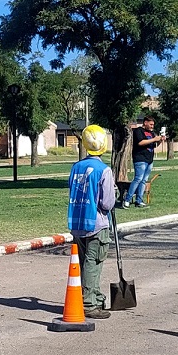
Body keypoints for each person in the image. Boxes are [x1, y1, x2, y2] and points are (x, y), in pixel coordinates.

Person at [68, 124, 117, 319]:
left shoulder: (76, 167)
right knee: (93, 262)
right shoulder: (103, 170)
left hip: (78, 221)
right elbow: (107, 203)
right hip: (97, 223)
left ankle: (95, 296)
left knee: (83, 262)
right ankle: (89, 303)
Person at [119, 116, 163, 208]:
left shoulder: (151, 133)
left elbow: (153, 145)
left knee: (144, 180)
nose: (152, 126)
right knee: (138, 179)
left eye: (153, 125)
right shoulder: (138, 131)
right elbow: (140, 143)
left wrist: (160, 141)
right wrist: (154, 139)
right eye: (150, 124)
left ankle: (139, 201)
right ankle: (127, 200)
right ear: (145, 122)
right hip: (140, 159)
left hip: (149, 160)